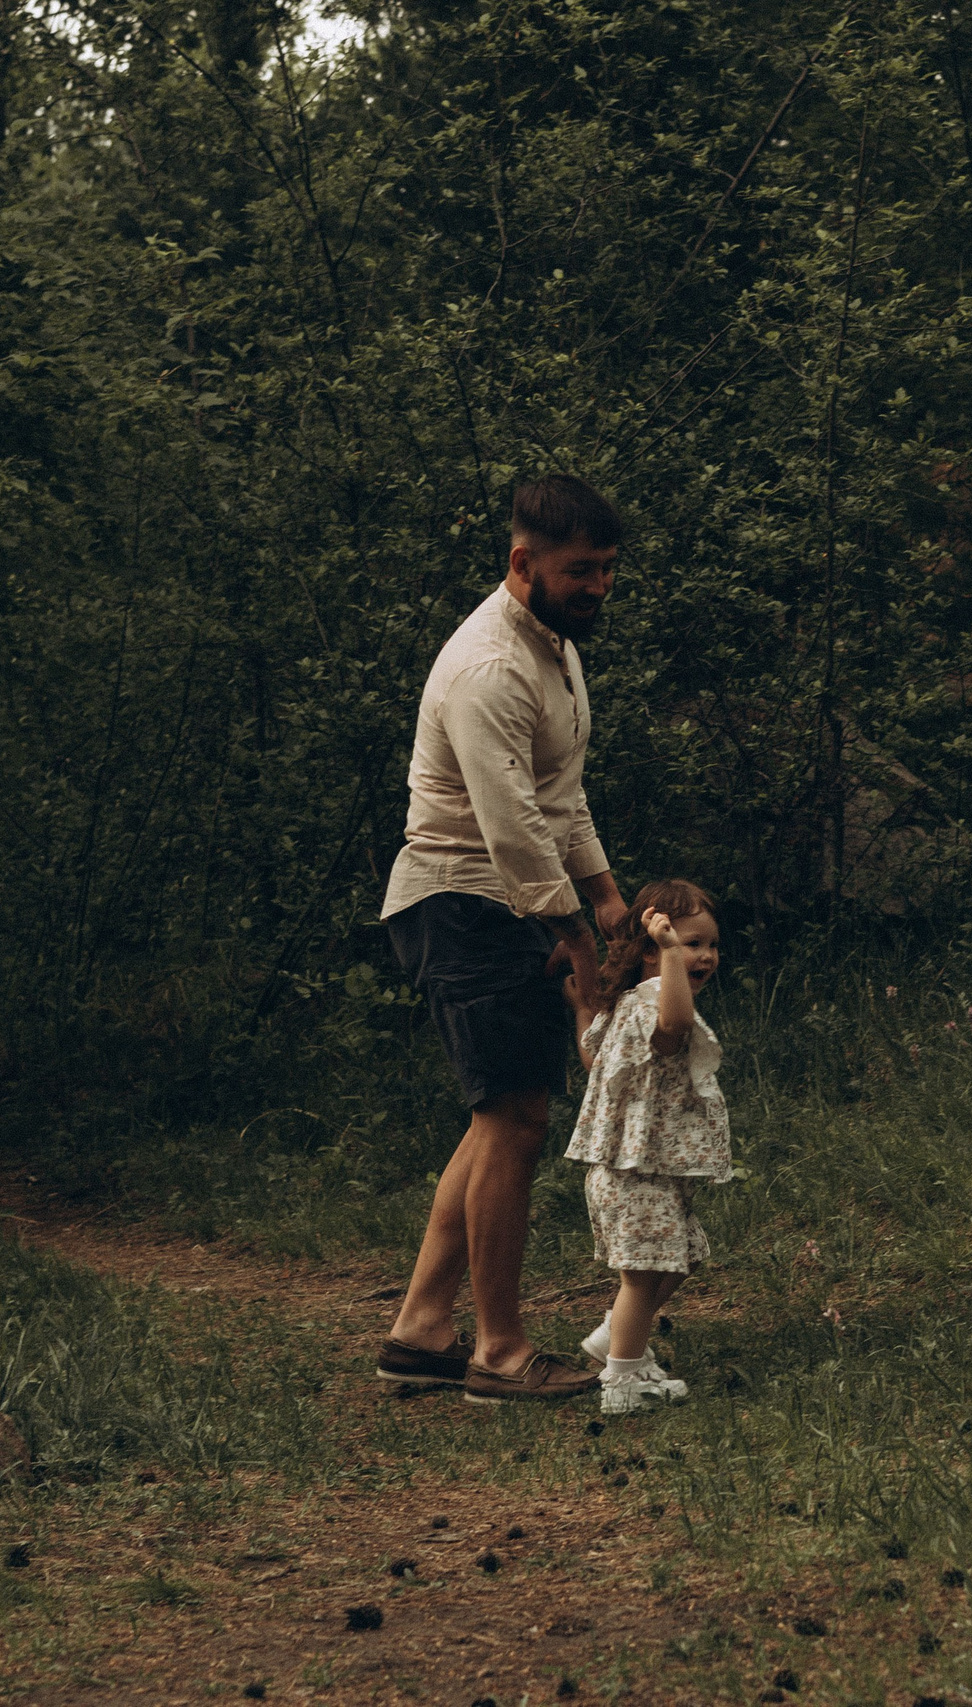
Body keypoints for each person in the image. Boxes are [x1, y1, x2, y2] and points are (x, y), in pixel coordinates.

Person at [375, 474, 630, 1405]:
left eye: (606, 570)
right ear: (523, 562)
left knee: (498, 1119)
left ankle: (420, 1328)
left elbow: (560, 796)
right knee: (517, 1119)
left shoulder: (554, 646)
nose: (597, 586)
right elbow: (514, 826)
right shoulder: (490, 665)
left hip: (507, 898)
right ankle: (499, 1351)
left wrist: (604, 895)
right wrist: (578, 938)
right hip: (462, 900)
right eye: (580, 570)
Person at [562, 880, 730, 1414]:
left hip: (642, 1171)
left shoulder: (626, 1004)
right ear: (649, 951)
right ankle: (622, 1382)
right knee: (640, 1277)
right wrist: (672, 959)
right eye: (687, 943)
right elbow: (675, 1024)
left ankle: (611, 1338)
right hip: (633, 1173)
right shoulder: (654, 1002)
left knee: (676, 1261)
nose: (702, 956)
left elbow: (593, 1060)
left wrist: (579, 1009)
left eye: (709, 945)